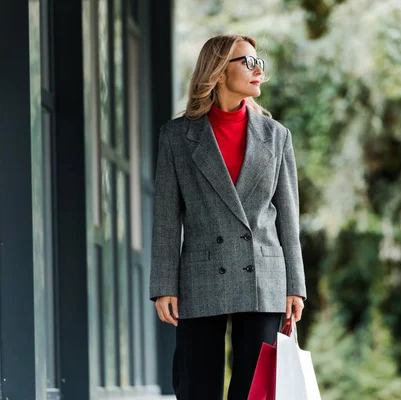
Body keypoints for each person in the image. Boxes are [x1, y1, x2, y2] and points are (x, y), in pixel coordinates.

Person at [149, 34, 307, 400]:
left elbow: (288, 217)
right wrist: (164, 286)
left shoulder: (276, 136)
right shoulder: (177, 136)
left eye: (259, 63)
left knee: (255, 389)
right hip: (201, 273)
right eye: (247, 63)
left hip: (264, 273)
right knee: (195, 385)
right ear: (219, 72)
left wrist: (295, 285)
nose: (258, 72)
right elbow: (167, 217)